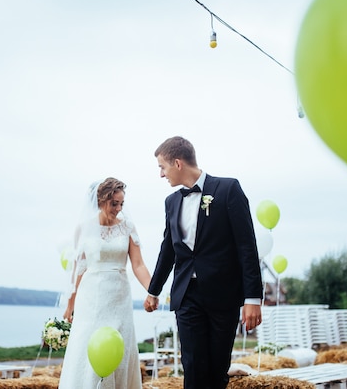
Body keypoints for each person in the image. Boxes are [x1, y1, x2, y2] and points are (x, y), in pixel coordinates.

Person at [144, 136, 263, 389]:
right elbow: (168, 250)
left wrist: (252, 299)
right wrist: (153, 290)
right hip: (187, 295)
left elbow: (247, 246)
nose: (161, 175)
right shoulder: (171, 202)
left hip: (223, 295)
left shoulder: (228, 189)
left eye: (162, 168)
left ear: (177, 163)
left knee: (217, 368)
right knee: (193, 366)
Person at [59, 177, 152, 389]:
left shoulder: (128, 227)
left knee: (120, 344)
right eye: (114, 204)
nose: (119, 208)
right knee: (87, 343)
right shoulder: (83, 228)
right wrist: (70, 304)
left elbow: (138, 265)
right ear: (101, 201)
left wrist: (152, 290)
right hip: (91, 296)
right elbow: (79, 269)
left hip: (119, 295)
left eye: (121, 204)